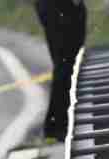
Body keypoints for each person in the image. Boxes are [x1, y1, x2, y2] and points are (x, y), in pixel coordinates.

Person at [36, 0, 87, 141]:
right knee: (65, 65)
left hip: (63, 8)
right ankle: (56, 126)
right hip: (59, 9)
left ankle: (58, 124)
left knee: (67, 65)